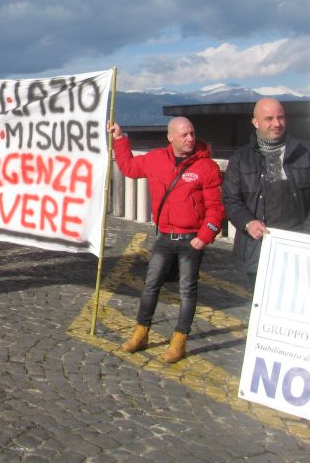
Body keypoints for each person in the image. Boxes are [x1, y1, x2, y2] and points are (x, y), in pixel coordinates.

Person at [107, 117, 225, 363]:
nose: (190, 138)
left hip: (191, 239)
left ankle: (179, 341)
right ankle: (141, 333)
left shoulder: (207, 167)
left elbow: (217, 208)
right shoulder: (156, 159)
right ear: (170, 137)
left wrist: (205, 236)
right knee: (151, 285)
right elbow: (128, 167)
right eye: (184, 134)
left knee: (187, 290)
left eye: (192, 133)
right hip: (164, 236)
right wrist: (119, 138)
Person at [222, 98, 310, 289]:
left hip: (300, 246)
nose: (276, 124)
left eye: (280, 117)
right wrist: (248, 222)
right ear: (256, 122)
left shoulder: (305, 152)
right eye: (269, 118)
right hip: (258, 248)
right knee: (263, 307)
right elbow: (231, 200)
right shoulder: (240, 159)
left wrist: (306, 231)